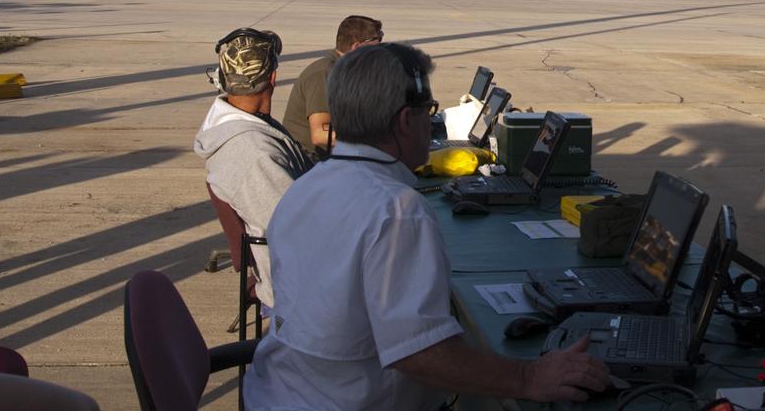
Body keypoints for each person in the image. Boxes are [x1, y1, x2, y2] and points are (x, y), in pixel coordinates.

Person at [245, 43, 609, 409]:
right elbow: (419, 354)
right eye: (428, 112)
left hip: (280, 392)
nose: (430, 122)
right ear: (406, 121)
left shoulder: (307, 186)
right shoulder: (396, 210)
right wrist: (529, 378)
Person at [194, 28, 311, 308]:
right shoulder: (253, 153)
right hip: (299, 290)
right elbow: (300, 232)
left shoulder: (247, 125)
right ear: (272, 78)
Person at [282, 14, 383, 158]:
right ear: (357, 47)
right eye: (377, 43)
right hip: (310, 160)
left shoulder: (348, 71)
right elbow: (320, 135)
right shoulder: (323, 74)